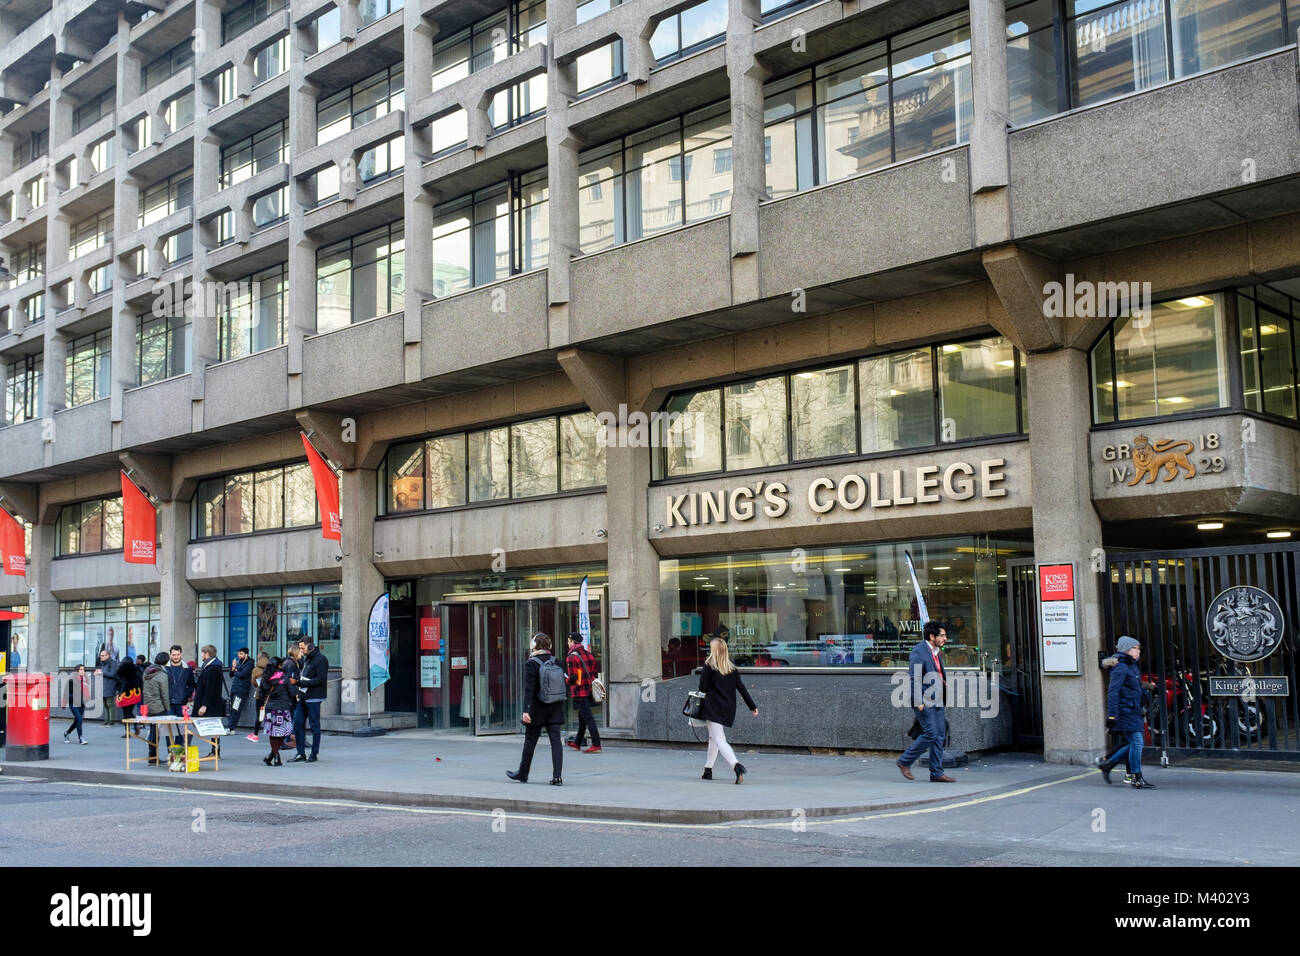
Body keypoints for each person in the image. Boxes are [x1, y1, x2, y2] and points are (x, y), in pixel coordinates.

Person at [896, 621, 957, 783]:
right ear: (932, 636)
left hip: (937, 698)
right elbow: (915, 676)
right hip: (924, 700)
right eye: (942, 635)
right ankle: (904, 761)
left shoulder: (936, 652)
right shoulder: (919, 652)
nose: (945, 638)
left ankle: (936, 772)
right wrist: (918, 701)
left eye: (945, 635)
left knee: (939, 735)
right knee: (931, 734)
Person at [1098, 635, 1156, 789]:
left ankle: (1108, 765)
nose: (1137, 652)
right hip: (1125, 711)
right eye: (1134, 648)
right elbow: (1113, 692)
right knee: (1137, 742)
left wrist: (1146, 689)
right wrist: (1112, 715)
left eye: (1138, 649)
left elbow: (1132, 687)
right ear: (1126, 650)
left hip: (1133, 709)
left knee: (1134, 743)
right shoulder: (1121, 667)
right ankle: (1136, 777)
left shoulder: (1131, 665)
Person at [507, 633, 566, 785]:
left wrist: (526, 710)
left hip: (537, 708)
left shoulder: (531, 663)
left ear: (533, 646)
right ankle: (557, 776)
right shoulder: (557, 661)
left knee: (530, 741)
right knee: (556, 742)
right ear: (549, 646)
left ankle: (523, 774)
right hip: (555, 707)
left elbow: (529, 689)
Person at [697, 637, 758, 784]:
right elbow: (742, 689)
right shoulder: (732, 668)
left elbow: (702, 689)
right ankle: (708, 769)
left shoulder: (709, 666)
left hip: (712, 708)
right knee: (713, 737)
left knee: (719, 739)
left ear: (714, 650)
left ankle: (736, 766)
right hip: (728, 709)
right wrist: (752, 706)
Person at [563, 631, 602, 754]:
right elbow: (594, 673)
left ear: (573, 641)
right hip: (589, 690)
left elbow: (573, 677)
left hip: (579, 692)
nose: (568, 644)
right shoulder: (589, 654)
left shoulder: (571, 657)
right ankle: (577, 743)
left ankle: (596, 744)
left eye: (569, 641)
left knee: (588, 718)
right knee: (582, 718)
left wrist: (565, 680)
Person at [292, 640, 329, 763]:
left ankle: (314, 753)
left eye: (302, 648)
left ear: (310, 646)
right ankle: (300, 753)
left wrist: (301, 683)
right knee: (297, 722)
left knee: (314, 726)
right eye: (300, 648)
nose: (301, 650)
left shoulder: (321, 659)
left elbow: (321, 679)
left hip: (314, 696)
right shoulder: (307, 659)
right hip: (304, 695)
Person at [257, 656, 295, 766]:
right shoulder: (284, 677)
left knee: (273, 733)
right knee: (282, 732)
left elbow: (261, 693)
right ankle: (275, 755)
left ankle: (273, 756)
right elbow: (292, 693)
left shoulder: (265, 677)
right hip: (283, 708)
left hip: (271, 709)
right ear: (279, 665)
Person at [192, 644, 226, 757]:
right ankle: (215, 751)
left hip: (211, 704)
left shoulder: (212, 669)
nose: (201, 655)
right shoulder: (211, 666)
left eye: (202, 652)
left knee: (213, 727)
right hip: (212, 702)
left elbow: (210, 689)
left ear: (207, 654)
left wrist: (204, 705)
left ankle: (215, 751)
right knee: (213, 727)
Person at [142, 652, 171, 761]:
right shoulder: (161, 674)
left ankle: (152, 756)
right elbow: (164, 693)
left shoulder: (147, 672)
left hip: (148, 705)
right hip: (159, 707)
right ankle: (155, 757)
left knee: (153, 731)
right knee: (163, 732)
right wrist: (167, 708)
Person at [115, 655, 143, 737]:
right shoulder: (136, 669)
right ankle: (136, 724)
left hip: (125, 694)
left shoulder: (121, 670)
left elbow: (119, 682)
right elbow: (140, 681)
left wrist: (119, 692)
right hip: (134, 694)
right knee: (130, 712)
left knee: (126, 713)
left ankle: (127, 732)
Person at [227, 647, 254, 733]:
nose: (239, 656)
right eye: (238, 654)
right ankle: (231, 728)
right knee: (232, 708)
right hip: (235, 688)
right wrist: (234, 667)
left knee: (236, 708)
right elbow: (231, 674)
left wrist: (236, 672)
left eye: (241, 654)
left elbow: (243, 674)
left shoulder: (250, 663)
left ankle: (230, 727)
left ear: (246, 654)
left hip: (241, 690)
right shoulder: (239, 662)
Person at [165, 645, 195, 720]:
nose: (176, 657)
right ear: (170, 655)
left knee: (182, 727)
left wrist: (186, 695)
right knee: (169, 727)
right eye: (174, 655)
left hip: (182, 703)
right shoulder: (165, 668)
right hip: (168, 703)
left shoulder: (188, 668)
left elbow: (191, 684)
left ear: (181, 654)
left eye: (178, 654)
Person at [63, 665, 90, 745]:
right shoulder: (71, 680)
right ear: (76, 671)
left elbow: (86, 691)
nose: (82, 671)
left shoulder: (85, 680)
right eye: (80, 669)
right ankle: (81, 738)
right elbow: (66, 693)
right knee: (79, 719)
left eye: (83, 670)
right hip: (73, 703)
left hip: (82, 703)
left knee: (77, 721)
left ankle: (67, 733)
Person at [96, 648, 120, 727]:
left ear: (108, 656)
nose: (101, 657)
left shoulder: (112, 663)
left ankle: (111, 721)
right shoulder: (104, 663)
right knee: (105, 704)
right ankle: (107, 720)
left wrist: (102, 672)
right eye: (100, 655)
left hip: (110, 686)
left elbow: (113, 674)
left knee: (110, 704)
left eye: (103, 655)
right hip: (104, 686)